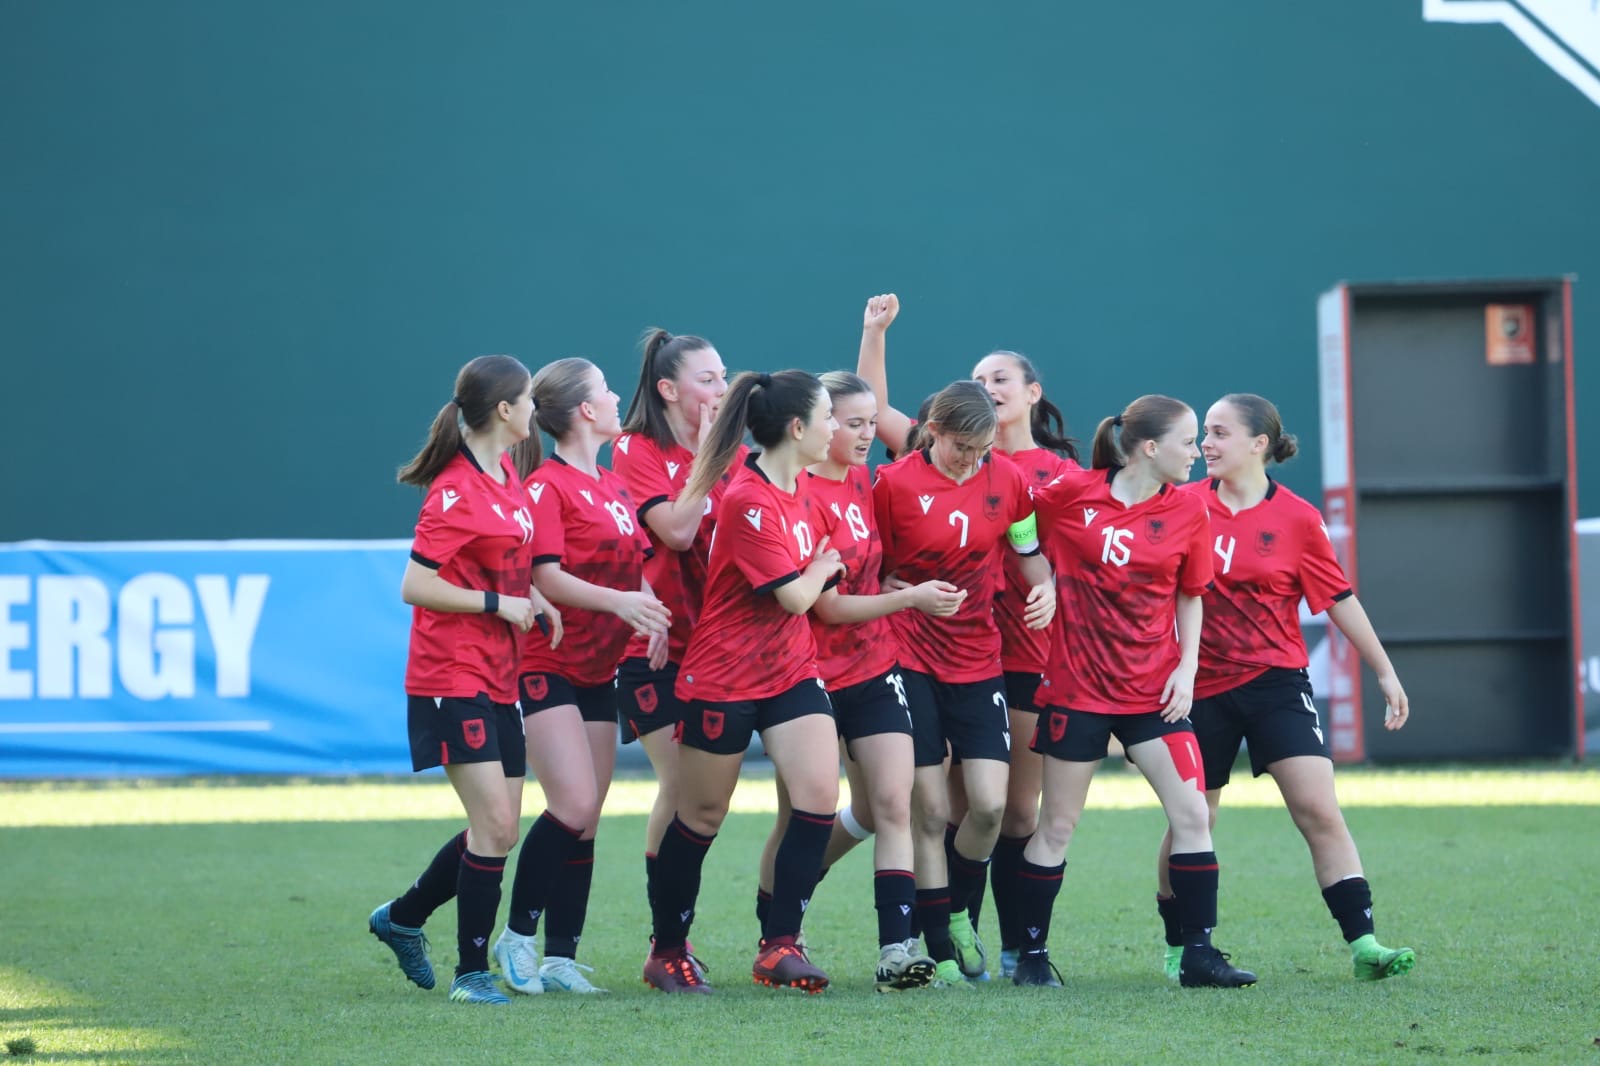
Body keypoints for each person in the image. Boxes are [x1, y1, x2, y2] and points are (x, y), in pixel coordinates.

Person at [1152, 393, 1414, 982]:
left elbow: (1339, 598)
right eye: (1204, 434)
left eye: (1219, 433)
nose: (1206, 445)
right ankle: (1181, 948)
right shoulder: (1179, 504)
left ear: (1259, 444)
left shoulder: (1297, 518)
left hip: (1276, 682)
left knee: (1319, 809)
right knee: (1194, 817)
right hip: (1194, 686)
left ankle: (1365, 944)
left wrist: (1384, 669)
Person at [1014, 394, 1255, 989]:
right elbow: (1017, 526)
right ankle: (1032, 960)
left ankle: (1198, 954)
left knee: (1193, 813)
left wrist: (1187, 667)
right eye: (1188, 440)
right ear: (1150, 448)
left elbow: (1191, 592)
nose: (1198, 452)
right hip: (1078, 691)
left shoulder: (1188, 512)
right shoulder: (1073, 493)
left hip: (1155, 693)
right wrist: (1040, 578)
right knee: (1058, 828)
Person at [857, 310, 1056, 986]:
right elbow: (869, 568)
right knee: (933, 810)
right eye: (960, 450)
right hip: (906, 654)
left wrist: (1047, 587)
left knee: (994, 809)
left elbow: (1027, 552)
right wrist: (902, 590)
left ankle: (959, 916)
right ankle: (937, 947)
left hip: (980, 657)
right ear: (933, 433)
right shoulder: (893, 485)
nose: (972, 462)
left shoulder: (1014, 482)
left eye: (982, 451)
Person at [755, 365, 967, 992]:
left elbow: (867, 576)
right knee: (801, 816)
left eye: (872, 421)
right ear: (817, 426)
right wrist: (911, 600)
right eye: (852, 423)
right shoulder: (796, 493)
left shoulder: (863, 482)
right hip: (810, 672)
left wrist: (895, 586)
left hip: (876, 666)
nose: (867, 433)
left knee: (891, 806)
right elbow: (828, 607)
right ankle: (777, 931)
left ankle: (895, 951)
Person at [368, 354, 562, 1006]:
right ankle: (471, 974)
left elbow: (503, 560)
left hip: (497, 675)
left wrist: (534, 595)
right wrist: (496, 605)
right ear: (504, 410)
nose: (536, 409)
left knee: (500, 828)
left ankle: (401, 918)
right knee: (495, 824)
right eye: (528, 399)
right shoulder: (454, 489)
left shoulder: (505, 470)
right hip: (449, 676)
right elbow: (415, 584)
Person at [643, 370, 846, 994]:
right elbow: (794, 597)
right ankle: (667, 951)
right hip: (725, 677)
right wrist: (823, 566)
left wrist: (821, 571)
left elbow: (804, 603)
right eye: (828, 417)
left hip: (790, 671)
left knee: (817, 800)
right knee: (701, 816)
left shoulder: (805, 489)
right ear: (796, 428)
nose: (834, 428)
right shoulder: (749, 499)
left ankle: (779, 945)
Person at [493, 358, 672, 996]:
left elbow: (637, 569)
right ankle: (515, 937)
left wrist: (652, 613)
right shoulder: (546, 485)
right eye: (605, 390)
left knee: (588, 814)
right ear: (584, 412)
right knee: (570, 804)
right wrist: (622, 603)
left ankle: (560, 957)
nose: (618, 396)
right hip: (549, 663)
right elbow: (546, 576)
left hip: (600, 667)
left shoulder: (615, 485)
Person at [610, 328, 739, 967]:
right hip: (653, 651)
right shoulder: (636, 450)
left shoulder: (735, 453)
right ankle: (667, 943)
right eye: (707, 379)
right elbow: (680, 534)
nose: (721, 388)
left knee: (697, 798)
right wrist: (712, 453)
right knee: (683, 790)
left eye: (723, 376)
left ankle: (670, 940)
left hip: (717, 651)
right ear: (668, 389)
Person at [970, 348, 1082, 980]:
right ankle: (957, 946)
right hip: (962, 659)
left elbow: (1086, 554)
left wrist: (1057, 586)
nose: (988, 388)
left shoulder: (1062, 474)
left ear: (1033, 392)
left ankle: (1019, 948)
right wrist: (874, 336)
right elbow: (880, 414)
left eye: (1001, 378)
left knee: (1017, 812)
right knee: (962, 812)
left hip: (1034, 661)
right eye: (979, 379)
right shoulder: (960, 458)